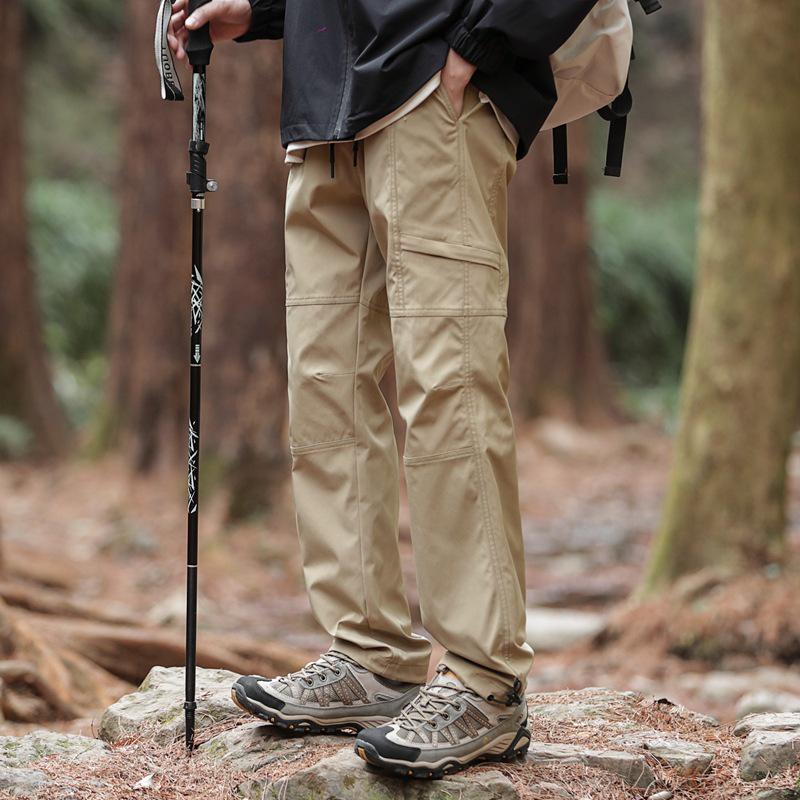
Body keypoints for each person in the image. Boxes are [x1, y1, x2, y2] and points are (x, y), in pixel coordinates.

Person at [168, 0, 595, 778]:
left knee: (448, 389)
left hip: (436, 88)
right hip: (323, 107)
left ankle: (485, 685)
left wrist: (484, 45)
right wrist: (264, 11)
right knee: (326, 386)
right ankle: (373, 657)